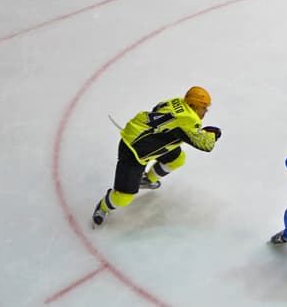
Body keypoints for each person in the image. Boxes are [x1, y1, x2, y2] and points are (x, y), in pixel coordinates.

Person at [91, 86, 220, 227]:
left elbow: (156, 109)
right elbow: (206, 145)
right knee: (123, 198)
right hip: (134, 151)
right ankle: (103, 207)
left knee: (177, 159)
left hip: (147, 139)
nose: (205, 111)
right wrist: (214, 133)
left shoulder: (176, 102)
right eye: (204, 108)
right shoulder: (188, 119)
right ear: (193, 106)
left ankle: (146, 180)